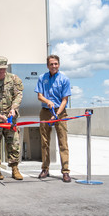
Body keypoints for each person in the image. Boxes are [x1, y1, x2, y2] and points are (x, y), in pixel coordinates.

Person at [35, 54, 72, 183]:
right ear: (47, 65)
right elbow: (39, 96)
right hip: (45, 112)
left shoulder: (64, 79)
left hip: (60, 113)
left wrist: (56, 114)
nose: (53, 66)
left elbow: (65, 100)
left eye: (56, 63)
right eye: (51, 64)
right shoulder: (42, 78)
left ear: (59, 64)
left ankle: (66, 171)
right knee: (45, 142)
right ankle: (45, 168)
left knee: (63, 142)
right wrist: (47, 101)